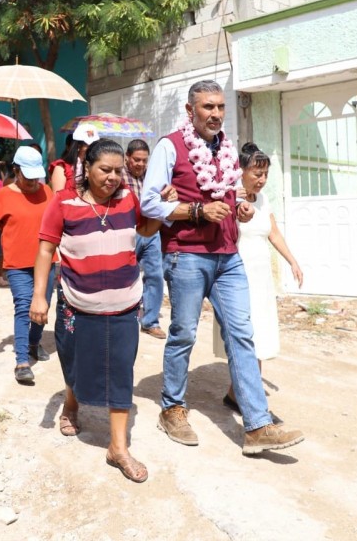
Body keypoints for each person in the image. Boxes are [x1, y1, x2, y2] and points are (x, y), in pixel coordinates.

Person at [140, 79, 304, 455]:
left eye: (219, 107)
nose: (215, 114)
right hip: (187, 254)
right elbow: (149, 204)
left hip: (229, 255)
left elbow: (227, 194)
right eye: (207, 108)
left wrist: (240, 207)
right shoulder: (170, 147)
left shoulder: (227, 149)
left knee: (242, 335)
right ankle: (172, 408)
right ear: (189, 110)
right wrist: (196, 211)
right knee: (183, 333)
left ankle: (256, 426)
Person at [30, 140, 154, 483]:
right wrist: (39, 296)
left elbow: (145, 228)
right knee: (73, 359)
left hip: (125, 301)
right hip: (76, 302)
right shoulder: (63, 202)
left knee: (121, 369)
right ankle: (72, 403)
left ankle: (118, 448)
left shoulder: (129, 199)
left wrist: (162, 209)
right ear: (88, 167)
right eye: (106, 170)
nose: (114, 177)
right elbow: (45, 250)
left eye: (119, 171)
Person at [214, 142, 304, 414]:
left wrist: (293, 261)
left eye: (265, 174)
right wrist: (231, 200)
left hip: (261, 277)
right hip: (238, 276)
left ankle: (236, 393)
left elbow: (273, 233)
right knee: (246, 334)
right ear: (240, 171)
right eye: (257, 173)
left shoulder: (263, 200)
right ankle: (247, 398)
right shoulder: (229, 197)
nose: (262, 180)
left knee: (261, 334)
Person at [0, 146, 57, 384]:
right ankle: (22, 361)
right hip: (17, 265)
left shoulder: (47, 191)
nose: (33, 182)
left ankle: (35, 344)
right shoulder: (4, 195)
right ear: (16, 170)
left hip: (46, 264)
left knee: (42, 308)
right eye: (28, 177)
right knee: (24, 307)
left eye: (36, 176)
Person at [122, 138, 174, 340]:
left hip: (152, 231)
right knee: (126, 276)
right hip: (128, 231)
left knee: (155, 275)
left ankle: (150, 321)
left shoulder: (152, 177)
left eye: (144, 160)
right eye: (137, 160)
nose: (141, 164)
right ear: (128, 158)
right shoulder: (119, 177)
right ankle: (125, 318)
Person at [49, 124, 99, 192]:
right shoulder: (62, 167)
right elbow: (58, 196)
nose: (93, 148)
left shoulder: (95, 165)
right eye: (88, 145)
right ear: (78, 146)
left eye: (95, 145)